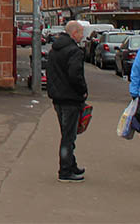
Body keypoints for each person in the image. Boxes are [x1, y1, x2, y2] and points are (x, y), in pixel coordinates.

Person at [46, 20, 88, 183]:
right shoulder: (74, 51)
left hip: (57, 97)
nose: (83, 36)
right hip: (71, 98)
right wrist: (83, 91)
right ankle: (65, 170)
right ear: (74, 33)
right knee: (68, 136)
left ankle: (71, 164)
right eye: (81, 32)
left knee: (66, 133)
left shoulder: (54, 49)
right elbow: (75, 76)